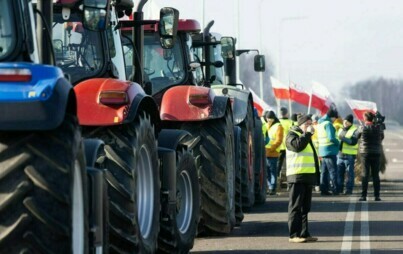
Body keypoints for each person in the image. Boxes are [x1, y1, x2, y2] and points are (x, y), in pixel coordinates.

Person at [286, 114, 319, 243]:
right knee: (295, 207)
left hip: (307, 176)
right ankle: (294, 234)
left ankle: (304, 233)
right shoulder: (291, 135)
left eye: (311, 124)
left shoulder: (306, 137)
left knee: (305, 207)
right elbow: (297, 146)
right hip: (297, 176)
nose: (309, 127)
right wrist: (307, 135)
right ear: (300, 125)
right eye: (307, 124)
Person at [357, 111, 384, 201]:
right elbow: (382, 137)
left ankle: (363, 195)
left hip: (365, 153)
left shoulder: (362, 127)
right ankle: (377, 196)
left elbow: (356, 136)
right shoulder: (378, 127)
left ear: (365, 118)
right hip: (376, 152)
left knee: (365, 174)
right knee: (375, 175)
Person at [317, 108, 340, 195]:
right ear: (332, 117)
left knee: (324, 171)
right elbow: (331, 137)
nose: (335, 120)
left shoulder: (320, 123)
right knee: (333, 171)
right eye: (335, 118)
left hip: (322, 150)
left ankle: (324, 189)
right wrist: (337, 142)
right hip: (330, 150)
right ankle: (335, 189)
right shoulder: (328, 124)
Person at [337, 114, 359, 195]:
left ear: (351, 122)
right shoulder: (340, 129)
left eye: (347, 122)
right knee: (339, 174)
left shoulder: (355, 130)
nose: (345, 123)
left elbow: (353, 142)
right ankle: (339, 189)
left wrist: (342, 138)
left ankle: (349, 190)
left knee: (350, 175)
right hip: (340, 155)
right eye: (344, 121)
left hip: (349, 156)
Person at [265, 111, 284, 195]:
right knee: (267, 172)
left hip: (273, 153)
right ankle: (269, 187)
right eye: (267, 118)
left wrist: (271, 149)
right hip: (265, 153)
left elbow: (278, 140)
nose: (269, 120)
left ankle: (272, 188)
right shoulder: (266, 125)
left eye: (270, 118)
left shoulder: (278, 126)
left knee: (273, 171)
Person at [277, 107, 293, 177]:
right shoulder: (290, 122)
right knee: (290, 162)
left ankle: (277, 175)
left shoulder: (277, 122)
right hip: (289, 145)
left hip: (279, 145)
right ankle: (289, 175)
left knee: (279, 163)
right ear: (287, 114)